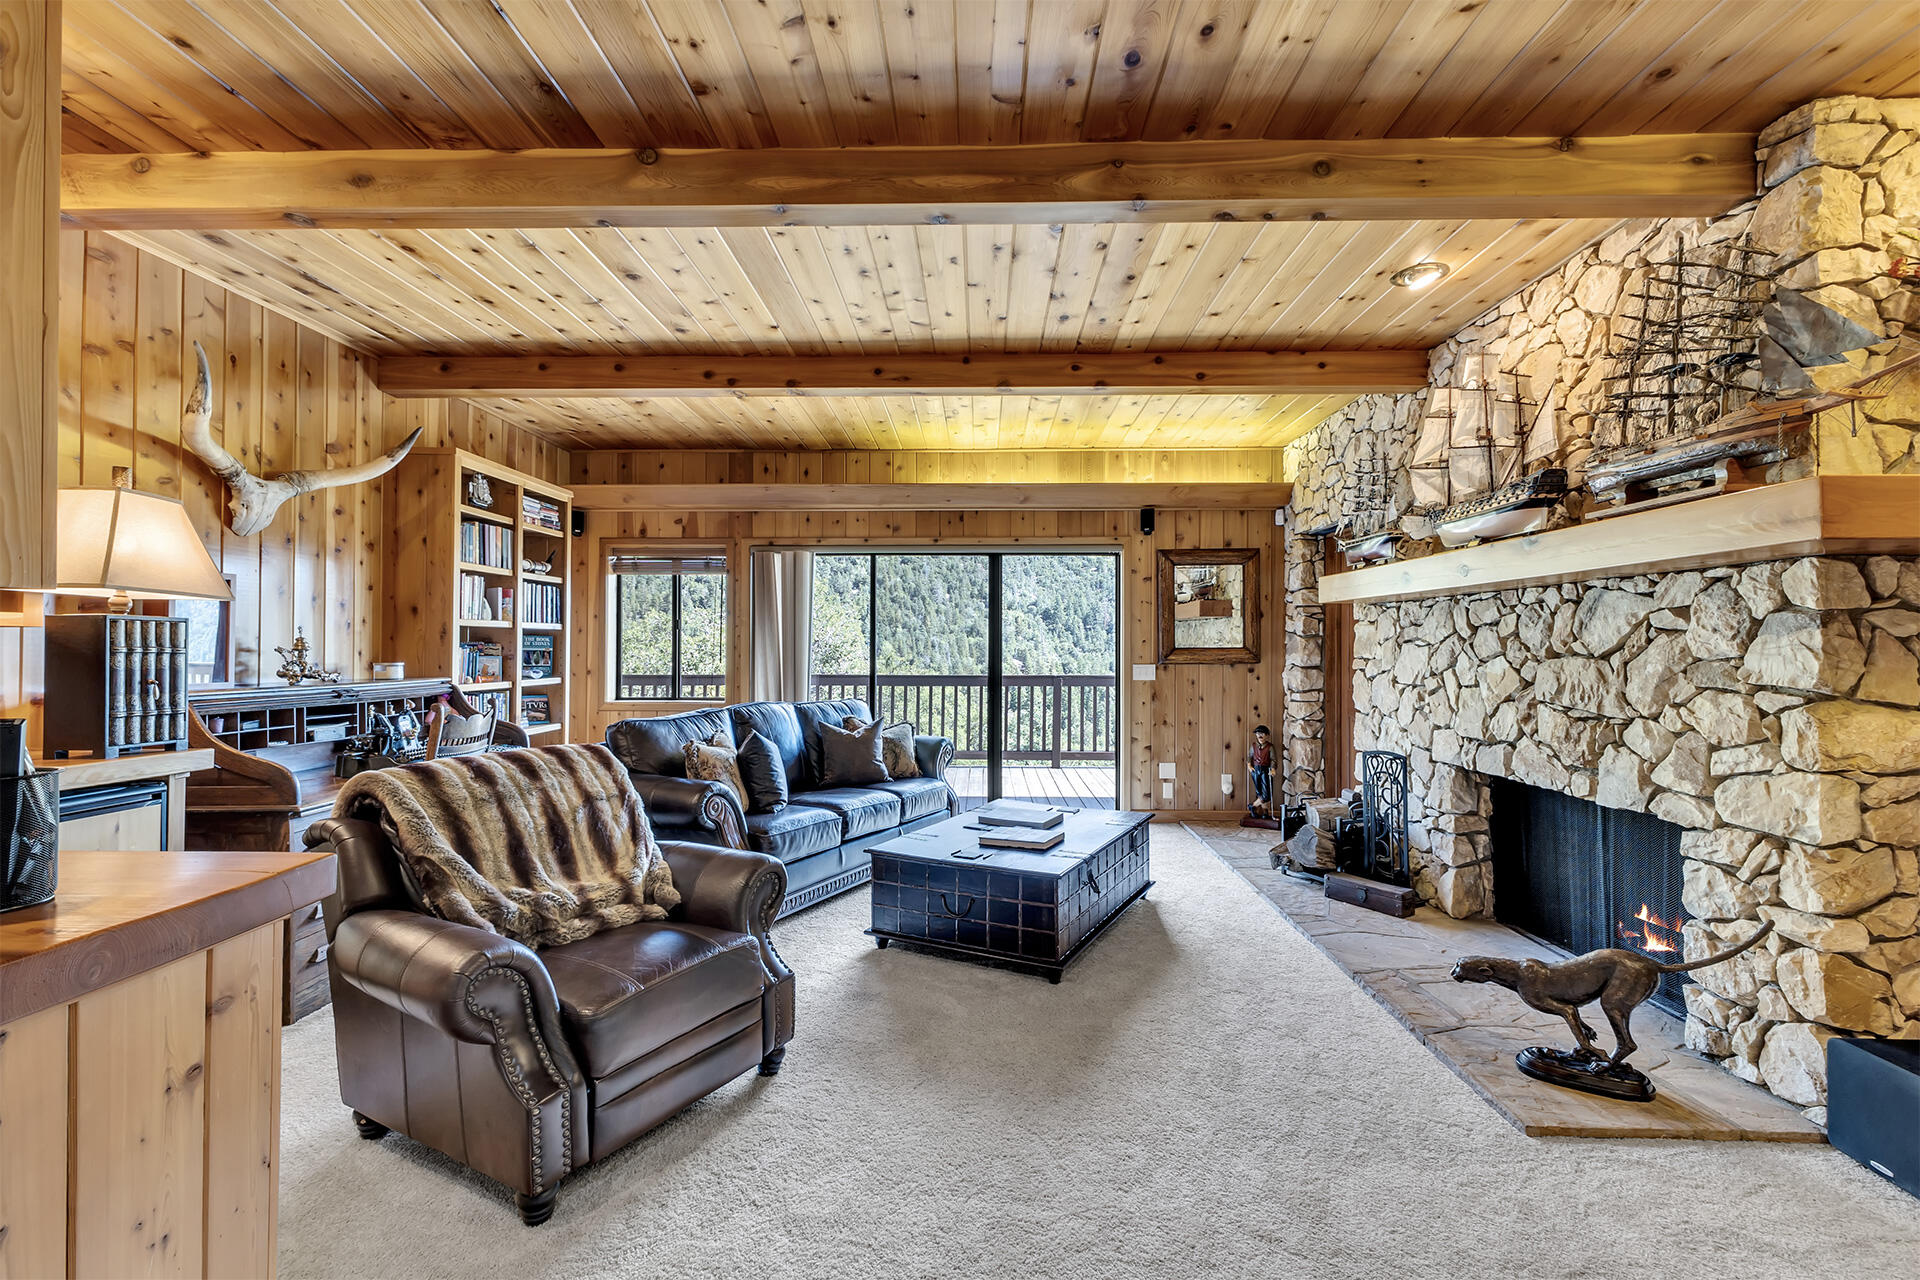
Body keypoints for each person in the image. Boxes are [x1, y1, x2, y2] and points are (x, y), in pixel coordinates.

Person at [1247, 724, 1275, 818]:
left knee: (1266, 794)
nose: (1260, 735)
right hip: (1255, 770)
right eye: (1258, 733)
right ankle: (1265, 812)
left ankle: (1252, 806)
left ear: (1267, 735)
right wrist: (1249, 765)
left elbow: (1273, 759)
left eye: (1262, 733)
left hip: (1265, 770)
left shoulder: (1270, 747)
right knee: (1260, 792)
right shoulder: (1254, 746)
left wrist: (1273, 768)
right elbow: (1249, 757)